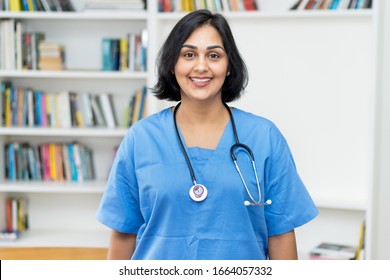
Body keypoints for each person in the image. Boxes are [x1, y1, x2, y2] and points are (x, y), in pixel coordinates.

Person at [96, 9, 318, 260]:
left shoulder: (264, 137)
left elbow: (280, 233)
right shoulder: (141, 139)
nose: (201, 66)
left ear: (230, 66)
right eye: (189, 54)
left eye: (214, 55)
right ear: (172, 65)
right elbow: (124, 234)